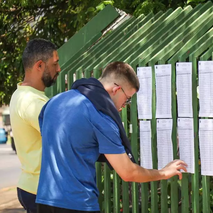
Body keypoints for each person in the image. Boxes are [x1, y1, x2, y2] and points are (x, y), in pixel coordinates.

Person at [36, 61, 187, 213]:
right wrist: (163, 173)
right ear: (116, 89)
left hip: (44, 200)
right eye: (127, 99)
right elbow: (128, 172)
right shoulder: (100, 116)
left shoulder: (53, 103)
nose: (124, 106)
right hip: (78, 203)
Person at [9, 38, 61, 213]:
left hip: (33, 186)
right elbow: (64, 134)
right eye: (55, 64)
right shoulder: (32, 101)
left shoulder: (21, 94)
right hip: (43, 190)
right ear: (40, 66)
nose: (59, 69)